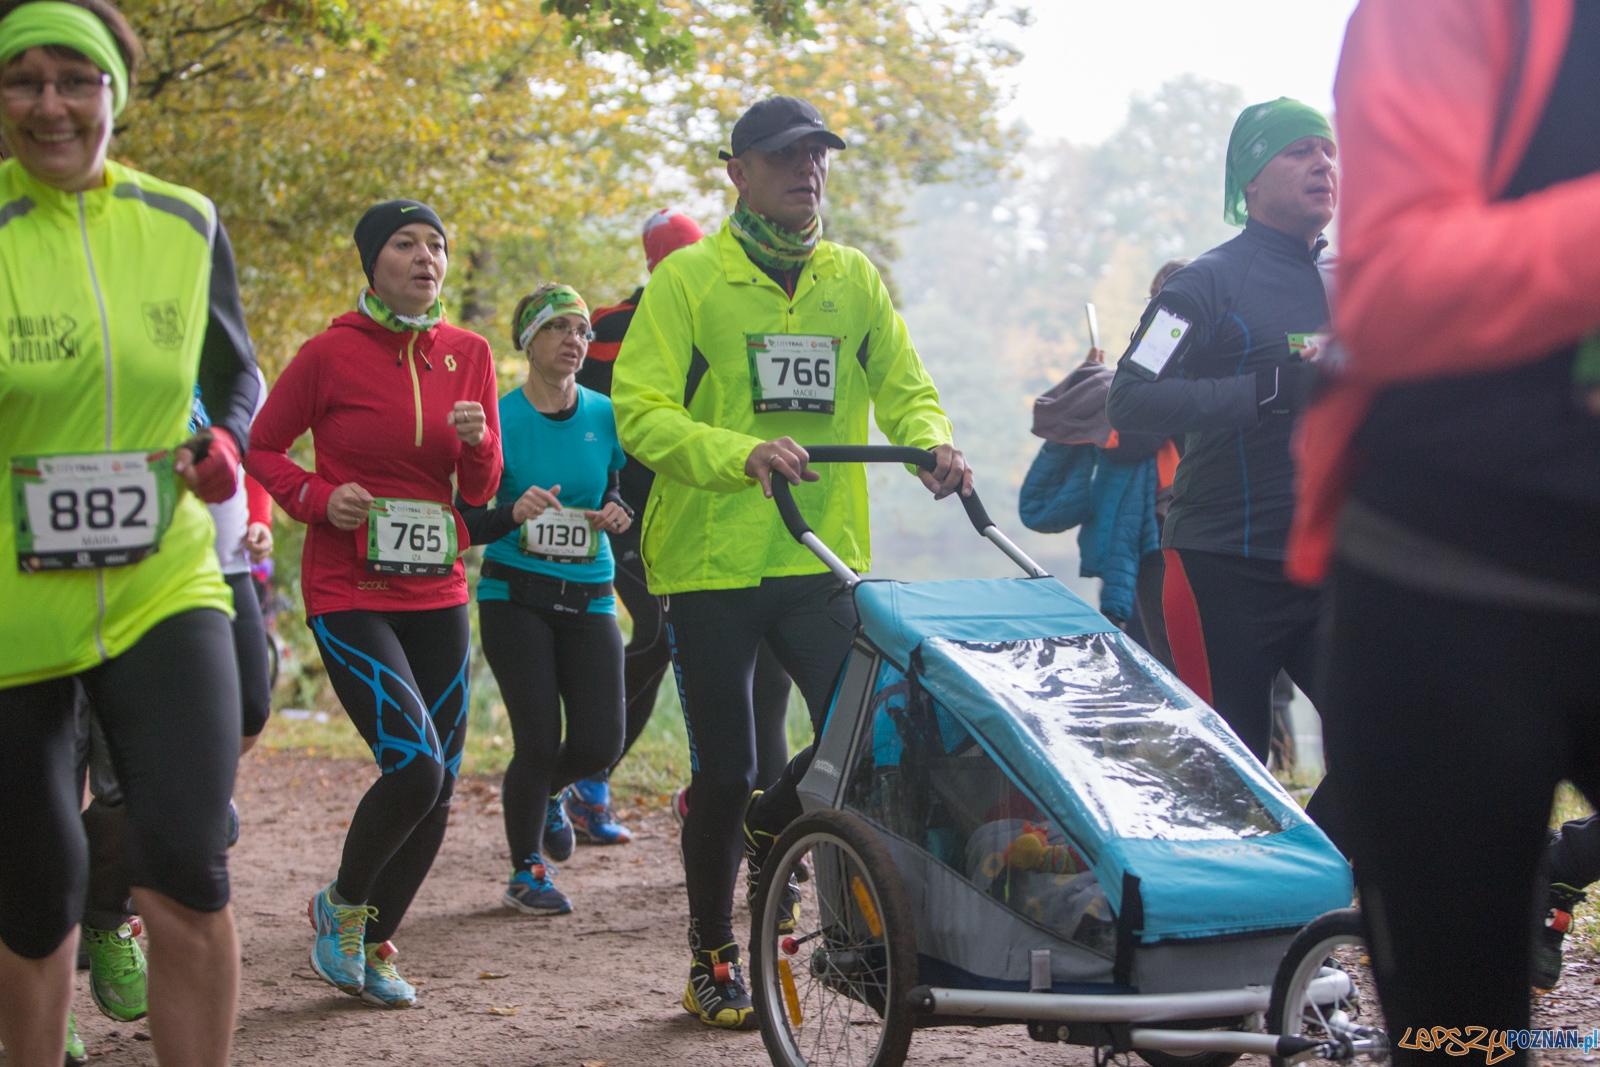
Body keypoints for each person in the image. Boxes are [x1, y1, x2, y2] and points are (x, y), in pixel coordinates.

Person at [612, 95, 972, 1030]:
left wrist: (931, 443)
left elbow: (904, 385)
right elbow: (642, 412)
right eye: (782, 156)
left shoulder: (853, 278)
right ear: (737, 171)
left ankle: (786, 828)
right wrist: (741, 452)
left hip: (820, 555)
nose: (804, 169)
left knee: (868, 737)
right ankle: (713, 953)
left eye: (816, 154)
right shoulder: (689, 281)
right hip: (708, 559)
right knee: (724, 769)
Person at [1288, 0, 1600, 1048]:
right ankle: (1262, 913)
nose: (1314, 169)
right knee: (1456, 1037)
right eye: (1291, 154)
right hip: (1444, 589)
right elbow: (1392, 295)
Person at [0, 0, 261, 1063]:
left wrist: (228, 443)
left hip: (164, 582)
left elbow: (233, 368)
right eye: (23, 79)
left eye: (77, 78)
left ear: (116, 91)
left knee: (188, 863)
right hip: (13, 603)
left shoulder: (185, 219)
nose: (52, 103)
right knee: (33, 889)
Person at [246, 199, 501, 1010]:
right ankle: (340, 905)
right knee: (415, 763)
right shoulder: (328, 353)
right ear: (373, 261)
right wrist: (321, 498)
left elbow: (483, 491)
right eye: (405, 244)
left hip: (439, 591)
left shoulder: (471, 355)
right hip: (350, 589)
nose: (426, 257)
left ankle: (375, 936)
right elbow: (260, 447)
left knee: (443, 779)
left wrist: (479, 442)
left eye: (437, 245)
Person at [1105, 98, 1341, 839]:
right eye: (1299, 151)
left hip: (1333, 561)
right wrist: (1266, 390)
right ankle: (1237, 928)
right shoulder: (1201, 286)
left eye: (1328, 151)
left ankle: (1310, 867)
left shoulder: (1355, 279)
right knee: (1225, 780)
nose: (1323, 164)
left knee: (1403, 728)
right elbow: (1131, 398)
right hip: (1222, 566)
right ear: (1250, 178)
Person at [564, 207, 799, 845]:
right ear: (654, 265)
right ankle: (587, 771)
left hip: (722, 510)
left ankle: (718, 800)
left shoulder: (730, 315)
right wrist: (589, 498)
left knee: (746, 664)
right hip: (632, 513)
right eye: (674, 260)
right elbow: (577, 416)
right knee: (662, 632)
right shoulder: (609, 326)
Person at [455, 283, 628, 916]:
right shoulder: (499, 419)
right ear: (530, 341)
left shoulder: (606, 414)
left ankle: (550, 794)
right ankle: (525, 869)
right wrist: (511, 511)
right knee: (537, 738)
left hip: (590, 593)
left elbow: (621, 490)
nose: (574, 341)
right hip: (514, 595)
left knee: (600, 742)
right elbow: (468, 518)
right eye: (558, 328)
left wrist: (617, 511)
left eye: (581, 330)